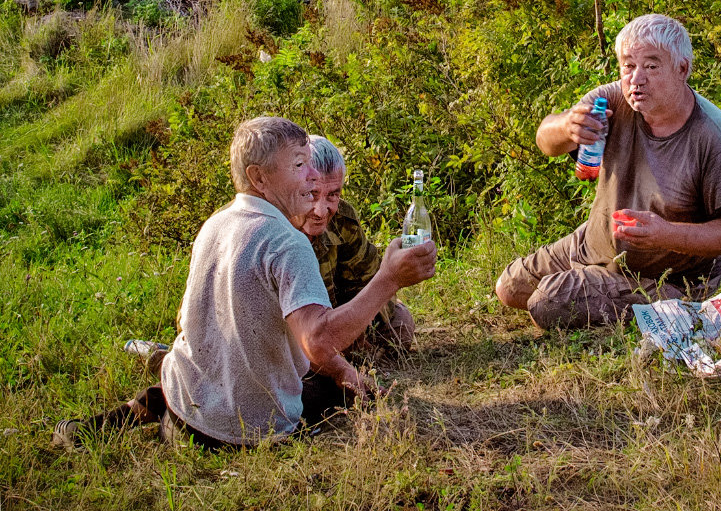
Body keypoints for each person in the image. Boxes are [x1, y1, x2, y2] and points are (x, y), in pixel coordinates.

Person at [53, 116, 436, 450]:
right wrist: (389, 280)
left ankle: (120, 418)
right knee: (338, 385)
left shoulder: (215, 224)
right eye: (300, 165)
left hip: (184, 416)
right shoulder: (289, 242)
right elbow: (318, 341)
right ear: (259, 177)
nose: (310, 175)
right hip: (247, 433)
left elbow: (188, 325)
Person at [495, 14, 721, 329]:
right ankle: (602, 285)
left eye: (651, 66)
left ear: (682, 69)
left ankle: (687, 307)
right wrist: (567, 126)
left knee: (546, 302)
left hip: (668, 276)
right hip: (594, 244)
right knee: (508, 289)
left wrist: (666, 234)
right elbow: (545, 141)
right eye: (628, 66)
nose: (636, 79)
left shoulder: (714, 137)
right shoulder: (612, 101)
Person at [302, 135, 415, 351]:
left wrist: (354, 328)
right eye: (311, 194)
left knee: (401, 324)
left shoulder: (343, 219)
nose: (320, 211)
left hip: (337, 319)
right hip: (295, 333)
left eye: (332, 195)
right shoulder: (274, 224)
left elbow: (370, 283)